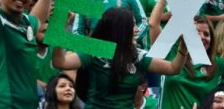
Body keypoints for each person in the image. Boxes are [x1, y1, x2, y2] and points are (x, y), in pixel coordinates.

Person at [53, 8, 188, 108]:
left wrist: (183, 47)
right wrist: (60, 28)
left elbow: (173, 68)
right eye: (132, 26)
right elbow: (60, 62)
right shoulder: (95, 50)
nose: (136, 30)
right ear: (120, 30)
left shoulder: (137, 56)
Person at [150, 0, 224, 108]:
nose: (202, 37)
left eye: (207, 34)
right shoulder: (170, 53)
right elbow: (153, 25)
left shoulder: (217, 65)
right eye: (196, 32)